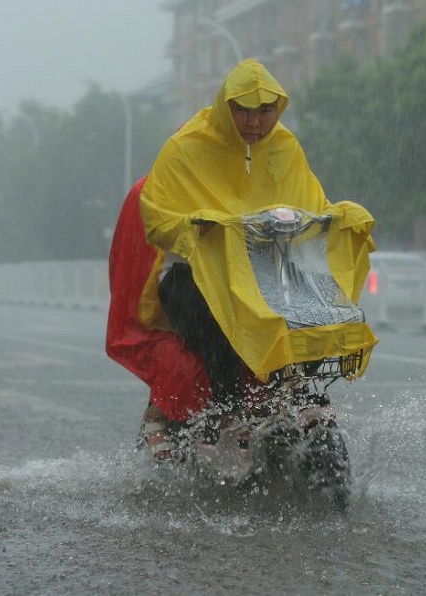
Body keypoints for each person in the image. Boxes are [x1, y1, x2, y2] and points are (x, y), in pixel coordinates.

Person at [137, 58, 377, 443]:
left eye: (264, 112)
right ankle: (230, 410)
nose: (254, 123)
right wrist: (198, 228)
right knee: (215, 323)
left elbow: (311, 207)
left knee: (313, 310)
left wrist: (341, 217)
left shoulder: (285, 147)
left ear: (277, 109)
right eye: (243, 111)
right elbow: (155, 217)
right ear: (224, 107)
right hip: (194, 275)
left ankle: (298, 393)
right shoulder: (187, 147)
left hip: (264, 276)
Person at [105, 176, 212, 460]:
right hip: (179, 299)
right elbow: (133, 268)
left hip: (238, 296)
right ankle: (158, 414)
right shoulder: (151, 192)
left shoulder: (250, 177)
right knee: (184, 359)